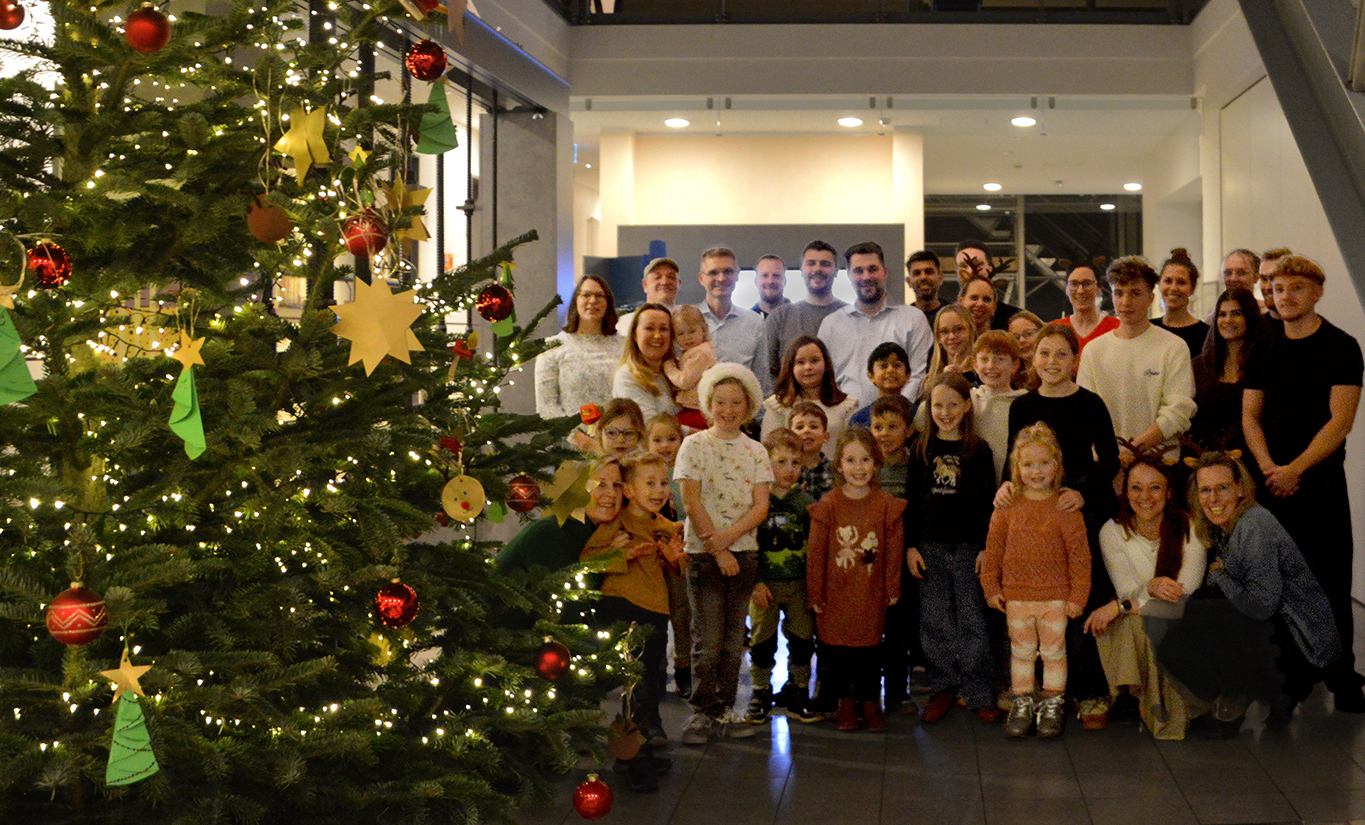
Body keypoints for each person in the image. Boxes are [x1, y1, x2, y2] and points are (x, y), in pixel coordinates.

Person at [1242, 254, 1365, 712]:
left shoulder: (1341, 346)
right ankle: (1290, 679)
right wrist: (1269, 467)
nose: (1286, 296)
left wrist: (1295, 468)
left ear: (1317, 292)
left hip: (1320, 484)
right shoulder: (1262, 349)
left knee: (1330, 581)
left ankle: (1341, 679)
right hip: (1272, 483)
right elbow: (1250, 417)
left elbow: (1340, 421)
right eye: (1277, 289)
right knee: (1278, 584)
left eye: (1296, 288)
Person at [1158, 453, 1341, 736]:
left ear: (1240, 488)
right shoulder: (1223, 525)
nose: (1213, 498)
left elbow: (1260, 606)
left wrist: (1220, 576)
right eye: (1205, 490)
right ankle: (1264, 697)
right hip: (1283, 631)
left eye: (1222, 488)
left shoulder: (1254, 525)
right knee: (1205, 604)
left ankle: (1247, 702)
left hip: (1303, 642)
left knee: (1207, 605)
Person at [1004, 323, 1121, 730]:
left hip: (1076, 508)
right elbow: (1013, 462)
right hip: (1035, 514)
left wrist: (1081, 492)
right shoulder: (1021, 406)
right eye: (1044, 353)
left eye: (1061, 354)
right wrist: (1006, 488)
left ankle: (1089, 692)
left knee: (1080, 599)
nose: (1051, 362)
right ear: (1033, 358)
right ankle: (1034, 690)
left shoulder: (1090, 403)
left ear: (1075, 359)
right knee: (1038, 601)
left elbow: (1110, 461)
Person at [676, 363, 773, 743]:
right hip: (703, 556)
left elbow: (760, 506)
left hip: (743, 554)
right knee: (708, 639)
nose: (728, 409)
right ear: (708, 404)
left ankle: (726, 707)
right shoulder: (694, 445)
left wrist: (728, 541)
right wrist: (717, 550)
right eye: (720, 402)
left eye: (736, 402)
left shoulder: (756, 450)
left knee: (734, 642)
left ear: (748, 406)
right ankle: (702, 711)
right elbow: (691, 500)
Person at [980, 423, 1091, 739]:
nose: (1036, 471)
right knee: (1021, 652)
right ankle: (1022, 702)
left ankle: (1052, 704)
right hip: (1016, 597)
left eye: (1044, 463)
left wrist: (1078, 597)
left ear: (1057, 465)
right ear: (1016, 467)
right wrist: (991, 587)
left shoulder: (1066, 507)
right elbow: (993, 550)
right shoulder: (1007, 506)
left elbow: (1080, 558)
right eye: (1028, 464)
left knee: (1054, 652)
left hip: (1056, 598)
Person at [1084, 459, 1206, 740]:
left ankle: (1178, 708)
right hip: (1144, 614)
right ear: (1125, 492)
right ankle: (1138, 700)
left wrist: (1122, 606)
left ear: (1169, 492)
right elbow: (1126, 589)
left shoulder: (1191, 529)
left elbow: (1184, 599)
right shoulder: (1113, 531)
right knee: (1133, 624)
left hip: (1186, 617)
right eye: (1136, 488)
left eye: (1155, 488)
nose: (1145, 497)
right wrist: (1149, 588)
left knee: (1150, 623)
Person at [579, 451, 684, 776]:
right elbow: (588, 559)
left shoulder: (664, 525)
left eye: (663, 483)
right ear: (629, 490)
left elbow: (676, 569)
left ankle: (643, 748)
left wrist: (674, 559)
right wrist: (622, 554)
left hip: (655, 610)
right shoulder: (619, 522)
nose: (658, 490)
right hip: (623, 607)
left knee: (651, 682)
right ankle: (630, 759)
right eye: (649, 483)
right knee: (634, 684)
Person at [906, 374, 998, 724]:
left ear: (966, 407)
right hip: (929, 547)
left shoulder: (978, 450)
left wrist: (986, 548)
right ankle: (943, 687)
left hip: (968, 547)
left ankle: (980, 691)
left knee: (973, 619)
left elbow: (988, 503)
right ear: (929, 409)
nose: (945, 412)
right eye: (938, 405)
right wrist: (911, 546)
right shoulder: (921, 449)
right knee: (935, 620)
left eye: (953, 405)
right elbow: (911, 501)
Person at [807, 428, 905, 731]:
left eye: (865, 459)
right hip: (835, 594)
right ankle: (844, 701)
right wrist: (815, 592)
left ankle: (870, 700)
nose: (858, 467)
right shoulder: (829, 505)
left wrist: (892, 587)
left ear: (876, 463)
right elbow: (816, 554)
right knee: (836, 651)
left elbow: (894, 551)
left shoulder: (886, 505)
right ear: (839, 465)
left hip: (870, 592)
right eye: (850, 460)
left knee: (869, 650)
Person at [1076, 256, 1195, 459]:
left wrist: (1132, 451)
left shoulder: (1173, 347)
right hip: (1106, 462)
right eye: (1119, 293)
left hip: (1159, 461)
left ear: (1150, 298)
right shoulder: (1093, 351)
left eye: (1135, 293)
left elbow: (1178, 412)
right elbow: (1086, 414)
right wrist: (1113, 457)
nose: (1125, 302)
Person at [743, 428, 818, 725]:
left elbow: (815, 547)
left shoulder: (806, 503)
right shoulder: (757, 502)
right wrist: (755, 581)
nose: (789, 469)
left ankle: (798, 689)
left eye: (795, 463)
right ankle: (760, 691)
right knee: (762, 641)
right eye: (781, 462)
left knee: (802, 640)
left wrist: (814, 586)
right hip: (765, 585)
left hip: (799, 585)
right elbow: (747, 544)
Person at [817, 241, 933, 407]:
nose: (866, 277)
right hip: (844, 419)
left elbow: (917, 376)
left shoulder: (913, 319)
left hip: (900, 417)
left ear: (885, 273)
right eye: (858, 271)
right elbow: (824, 380)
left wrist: (893, 412)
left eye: (872, 269)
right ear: (849, 276)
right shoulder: (831, 324)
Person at [535, 275, 624, 438]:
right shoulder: (552, 348)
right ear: (576, 301)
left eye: (599, 296)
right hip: (571, 445)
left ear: (608, 303)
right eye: (586, 295)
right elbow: (547, 407)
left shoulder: (625, 346)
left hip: (620, 442)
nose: (593, 301)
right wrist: (579, 439)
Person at [645, 413, 692, 699]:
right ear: (647, 442)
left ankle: (684, 667)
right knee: (654, 615)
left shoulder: (686, 474)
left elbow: (692, 511)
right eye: (658, 440)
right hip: (651, 554)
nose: (665, 445)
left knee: (681, 611)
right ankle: (655, 668)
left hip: (679, 554)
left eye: (671, 439)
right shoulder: (642, 476)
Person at [759, 335, 859, 461]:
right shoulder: (777, 405)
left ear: (826, 364)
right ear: (791, 367)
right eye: (800, 362)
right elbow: (769, 452)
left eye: (814, 361)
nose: (808, 367)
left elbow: (853, 451)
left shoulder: (846, 405)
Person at [1190, 287, 1265, 453]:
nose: (1228, 320)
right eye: (1222, 314)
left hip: (1250, 455)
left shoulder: (1263, 364)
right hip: (1203, 456)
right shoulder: (1200, 366)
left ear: (1250, 317)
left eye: (1236, 313)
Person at [764, 240, 847, 382]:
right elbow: (767, 372)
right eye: (811, 263)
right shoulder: (779, 317)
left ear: (836, 271)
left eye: (825, 264)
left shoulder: (850, 316)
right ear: (801, 270)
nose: (817, 269)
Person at [696, 247, 770, 394]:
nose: (721, 278)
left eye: (728, 271)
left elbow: (762, 382)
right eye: (713, 272)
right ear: (701, 278)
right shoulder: (687, 320)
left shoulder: (754, 323)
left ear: (737, 276)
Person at [970, 330, 1026, 484]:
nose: (990, 366)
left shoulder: (1023, 403)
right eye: (984, 359)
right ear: (975, 365)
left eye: (999, 360)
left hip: (1011, 483)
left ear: (1015, 365)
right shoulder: (969, 400)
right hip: (976, 484)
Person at [613, 303, 680, 424]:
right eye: (649, 328)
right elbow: (649, 425)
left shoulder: (679, 370)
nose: (657, 335)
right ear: (635, 335)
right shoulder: (626, 377)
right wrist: (705, 433)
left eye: (664, 329)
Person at [663, 304, 717, 431]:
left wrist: (669, 367)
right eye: (680, 334)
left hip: (698, 409)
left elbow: (685, 381)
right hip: (694, 407)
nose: (687, 337)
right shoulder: (694, 351)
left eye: (692, 331)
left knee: (673, 427)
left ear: (703, 330)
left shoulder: (700, 354)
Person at [1153, 248, 1210, 359]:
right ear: (1159, 284)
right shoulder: (1149, 329)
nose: (1173, 288)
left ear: (1192, 289)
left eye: (1181, 282)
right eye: (1168, 281)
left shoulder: (1206, 335)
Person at [955, 239, 1023, 329]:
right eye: (963, 266)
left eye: (978, 264)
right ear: (957, 271)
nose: (971, 271)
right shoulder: (944, 318)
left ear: (990, 267)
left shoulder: (1014, 319)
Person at [1056, 263, 1119, 352]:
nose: (1080, 291)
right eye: (1074, 284)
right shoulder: (1055, 329)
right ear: (1066, 289)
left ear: (1099, 288)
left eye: (1087, 284)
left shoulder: (1117, 328)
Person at [850, 342, 912, 428]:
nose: (890, 370)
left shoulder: (916, 414)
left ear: (907, 375)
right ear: (871, 376)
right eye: (883, 366)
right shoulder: (859, 420)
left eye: (897, 365)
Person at [618, 257, 681, 332]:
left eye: (671, 277)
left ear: (679, 284)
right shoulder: (626, 323)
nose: (665, 282)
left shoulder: (688, 321)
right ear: (645, 285)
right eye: (657, 277)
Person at [790, 401, 835, 502]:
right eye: (800, 427)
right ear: (790, 436)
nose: (806, 430)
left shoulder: (836, 471)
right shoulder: (785, 471)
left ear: (826, 437)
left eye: (813, 427)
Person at [926, 304, 979, 383]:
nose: (952, 336)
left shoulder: (985, 373)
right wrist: (946, 378)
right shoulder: (929, 381)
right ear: (938, 337)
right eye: (944, 331)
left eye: (959, 329)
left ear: (971, 331)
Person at [906, 250, 946, 327]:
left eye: (929, 272)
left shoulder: (955, 315)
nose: (923, 277)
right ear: (909, 281)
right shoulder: (902, 319)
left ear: (940, 278)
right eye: (917, 273)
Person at [1007, 310, 1045, 389]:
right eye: (1016, 337)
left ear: (1042, 332)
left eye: (1028, 333)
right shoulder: (1009, 380)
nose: (1022, 340)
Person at [1258, 247, 1290, 323]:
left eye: (1274, 279)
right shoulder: (1254, 327)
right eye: (1264, 279)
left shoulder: (1311, 327)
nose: (1268, 287)